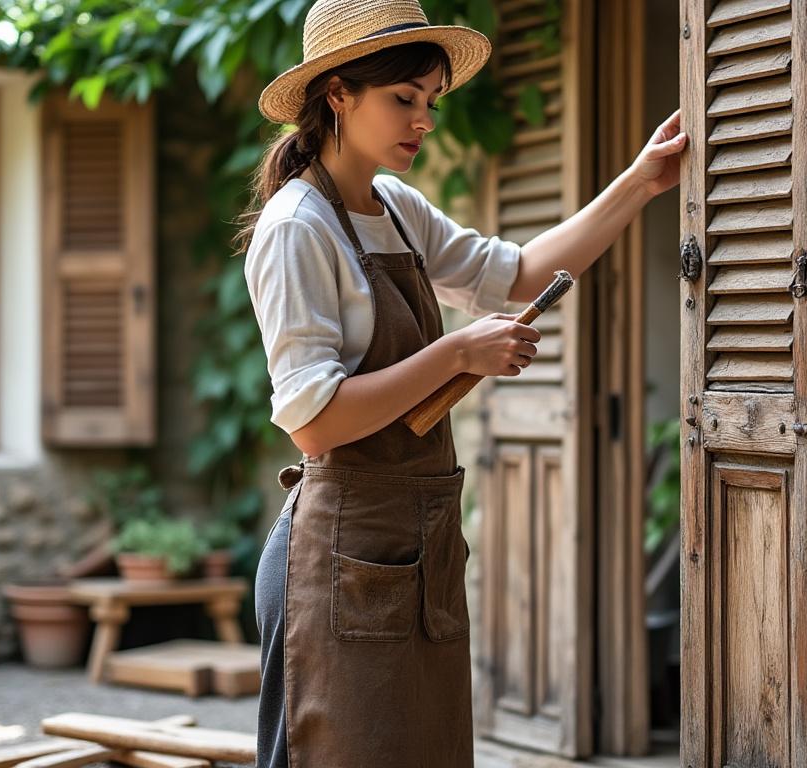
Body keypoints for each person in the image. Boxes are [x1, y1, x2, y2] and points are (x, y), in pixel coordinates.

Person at [239, 0, 685, 765]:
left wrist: (641, 183)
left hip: (418, 545)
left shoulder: (396, 207)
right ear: (337, 95)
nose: (424, 121)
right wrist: (454, 355)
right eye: (403, 100)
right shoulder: (295, 227)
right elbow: (314, 423)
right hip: (340, 555)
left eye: (431, 102)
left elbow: (517, 274)